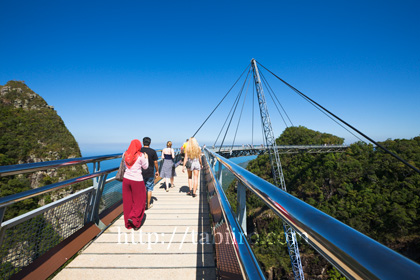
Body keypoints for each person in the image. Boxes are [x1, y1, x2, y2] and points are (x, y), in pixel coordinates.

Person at [122, 139, 148, 230]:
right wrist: (146, 158)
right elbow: (145, 167)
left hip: (126, 179)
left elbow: (125, 166)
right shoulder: (141, 156)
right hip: (137, 181)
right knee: (140, 201)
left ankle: (128, 224)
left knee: (127, 201)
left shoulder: (125, 154)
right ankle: (135, 221)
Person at [141, 137, 159, 210]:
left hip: (140, 172)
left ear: (143, 142)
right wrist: (157, 171)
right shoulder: (153, 151)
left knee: (141, 189)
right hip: (150, 172)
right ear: (150, 143)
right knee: (149, 188)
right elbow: (155, 162)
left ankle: (141, 204)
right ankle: (148, 205)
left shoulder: (139, 151)